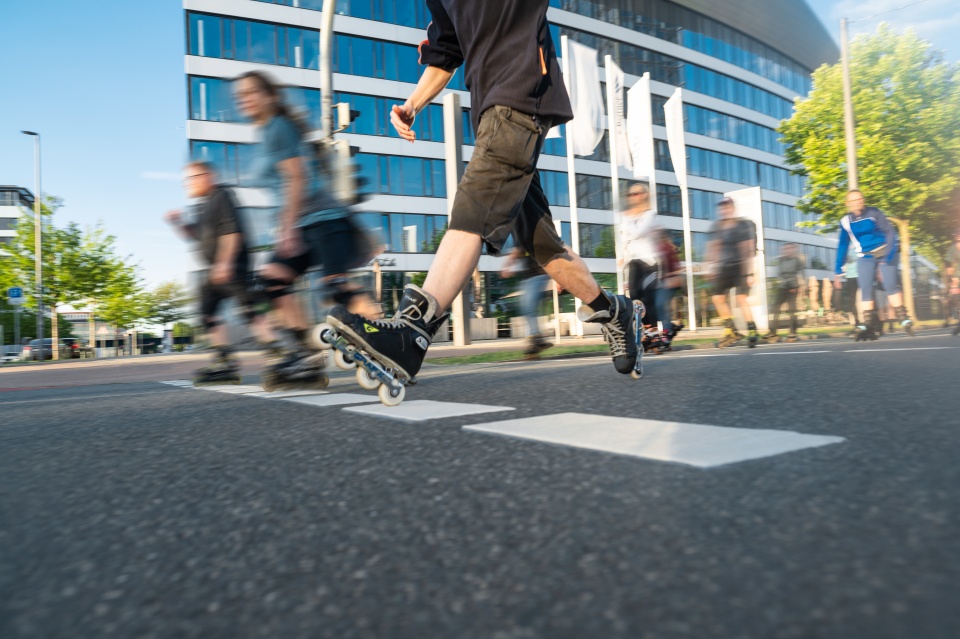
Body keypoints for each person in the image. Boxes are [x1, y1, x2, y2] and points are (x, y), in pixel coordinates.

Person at [324, 0, 639, 386]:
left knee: (471, 213)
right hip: (490, 114)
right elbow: (446, 53)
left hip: (521, 98)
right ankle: (615, 311)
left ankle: (412, 334)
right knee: (543, 247)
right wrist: (411, 105)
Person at [234, 70, 376, 385]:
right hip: (303, 225)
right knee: (269, 283)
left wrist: (286, 230)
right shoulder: (268, 133)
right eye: (240, 96)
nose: (244, 100)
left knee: (336, 289)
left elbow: (297, 178)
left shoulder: (277, 128)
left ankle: (387, 341)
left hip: (323, 221)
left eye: (251, 92)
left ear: (270, 96)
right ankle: (305, 358)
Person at [164, 161, 269, 384]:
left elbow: (232, 232)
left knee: (249, 311)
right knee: (206, 313)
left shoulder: (222, 195)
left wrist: (225, 263)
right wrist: (179, 223)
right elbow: (197, 234)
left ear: (207, 176)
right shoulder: (205, 205)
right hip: (216, 271)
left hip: (233, 267)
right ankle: (224, 362)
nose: (187, 185)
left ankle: (281, 355)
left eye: (191, 179)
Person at [833, 190, 913, 339]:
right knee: (865, 288)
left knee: (890, 285)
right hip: (866, 256)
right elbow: (843, 244)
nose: (858, 202)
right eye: (854, 200)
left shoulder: (874, 213)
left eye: (860, 199)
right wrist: (838, 267)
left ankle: (903, 318)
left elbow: (890, 233)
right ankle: (867, 322)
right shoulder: (846, 222)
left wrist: (889, 255)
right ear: (847, 203)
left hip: (884, 251)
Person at [706, 197, 760, 347]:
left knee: (741, 298)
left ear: (732, 208)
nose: (724, 209)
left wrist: (749, 273)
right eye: (722, 207)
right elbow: (713, 248)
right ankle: (731, 330)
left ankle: (752, 330)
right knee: (717, 298)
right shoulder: (717, 226)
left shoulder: (741, 225)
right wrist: (710, 267)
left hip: (740, 266)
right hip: (723, 267)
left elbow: (747, 250)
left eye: (727, 206)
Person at [619, 183, 660, 335]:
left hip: (649, 262)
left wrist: (627, 218)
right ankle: (647, 328)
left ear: (644, 195)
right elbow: (624, 237)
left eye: (635, 194)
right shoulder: (627, 216)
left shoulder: (650, 214)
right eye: (630, 194)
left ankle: (654, 331)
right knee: (635, 296)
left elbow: (637, 233)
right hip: (633, 261)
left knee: (648, 295)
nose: (632, 197)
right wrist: (622, 255)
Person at [502, 245, 553, 358]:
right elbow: (517, 252)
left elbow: (552, 254)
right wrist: (508, 266)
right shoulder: (520, 237)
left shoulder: (534, 234)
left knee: (529, 307)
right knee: (525, 309)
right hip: (527, 279)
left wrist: (507, 265)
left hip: (540, 275)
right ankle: (535, 345)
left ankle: (536, 338)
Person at [763, 242, 804, 342]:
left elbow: (801, 274)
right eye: (785, 249)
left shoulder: (797, 260)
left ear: (793, 250)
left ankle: (792, 332)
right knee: (775, 309)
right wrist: (784, 283)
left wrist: (795, 285)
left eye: (789, 249)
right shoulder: (780, 260)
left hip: (793, 287)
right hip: (782, 286)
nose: (786, 251)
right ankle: (773, 332)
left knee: (791, 310)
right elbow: (779, 274)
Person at [656, 229, 684, 343]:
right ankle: (670, 328)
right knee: (660, 308)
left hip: (668, 282)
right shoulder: (666, 248)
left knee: (660, 306)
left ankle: (667, 332)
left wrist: (666, 275)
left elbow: (677, 269)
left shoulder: (667, 248)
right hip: (666, 282)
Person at [945, 231, 960, 335]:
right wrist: (952, 279)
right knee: (956, 298)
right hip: (958, 277)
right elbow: (948, 264)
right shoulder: (953, 249)